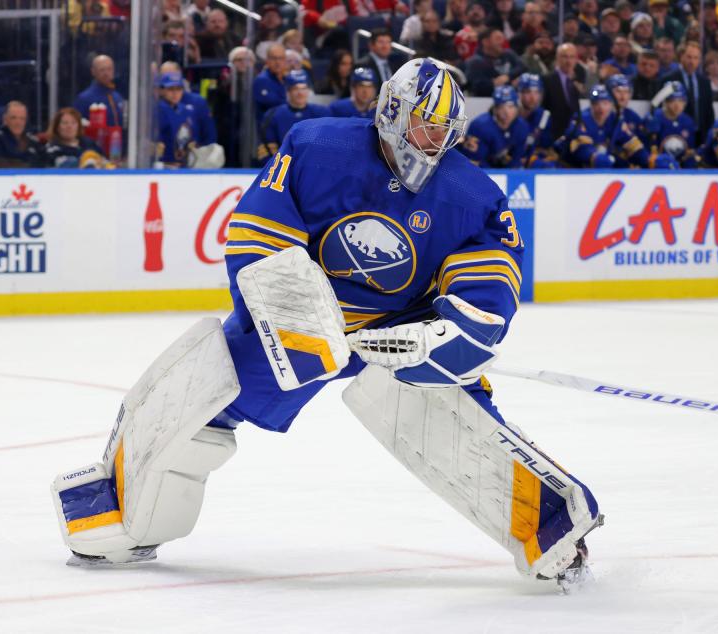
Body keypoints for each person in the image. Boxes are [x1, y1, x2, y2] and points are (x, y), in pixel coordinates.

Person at [49, 57, 602, 594]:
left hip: (399, 335)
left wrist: (455, 335)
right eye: (423, 125)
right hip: (301, 321)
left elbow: (490, 279)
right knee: (200, 386)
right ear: (391, 109)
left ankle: (551, 530)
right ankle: (119, 510)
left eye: (443, 132)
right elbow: (259, 234)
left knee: (457, 422)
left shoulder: (471, 194)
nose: (432, 142)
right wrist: (293, 317)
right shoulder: (317, 147)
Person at [259, 70, 330, 161]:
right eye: (295, 88)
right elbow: (266, 148)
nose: (300, 93)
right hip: (283, 168)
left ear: (308, 90)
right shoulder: (273, 114)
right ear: (288, 91)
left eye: (304, 88)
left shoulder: (322, 113)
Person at [459, 85, 530, 167]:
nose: (507, 113)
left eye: (511, 107)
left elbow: (518, 160)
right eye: (502, 107)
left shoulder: (522, 126)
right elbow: (474, 161)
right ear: (495, 108)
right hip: (483, 172)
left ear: (517, 108)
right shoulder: (480, 125)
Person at [662, 41, 714, 145]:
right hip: (676, 134)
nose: (692, 61)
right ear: (681, 57)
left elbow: (709, 111)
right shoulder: (668, 79)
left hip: (701, 134)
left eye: (696, 58)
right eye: (689, 57)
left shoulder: (705, 82)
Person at [646, 81, 698, 168]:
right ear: (665, 102)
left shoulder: (688, 122)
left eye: (681, 101)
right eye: (672, 101)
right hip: (659, 168)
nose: (677, 105)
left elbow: (689, 151)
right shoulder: (654, 118)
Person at [465, 28, 527, 97]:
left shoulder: (508, 54)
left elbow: (522, 67)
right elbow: (476, 87)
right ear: (486, 42)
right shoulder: (475, 62)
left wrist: (508, 77)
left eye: (503, 38)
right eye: (498, 39)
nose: (502, 41)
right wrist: (498, 83)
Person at [43, 107, 109, 168]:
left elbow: (106, 162)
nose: (69, 126)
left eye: (73, 123)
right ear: (57, 127)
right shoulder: (53, 149)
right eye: (65, 123)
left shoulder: (89, 143)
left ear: (79, 126)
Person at [73, 54, 126, 129]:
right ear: (93, 71)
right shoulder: (84, 98)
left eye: (109, 69)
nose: (106, 73)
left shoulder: (117, 96)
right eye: (102, 70)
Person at [541, 43, 582, 139]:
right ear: (557, 58)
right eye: (565, 57)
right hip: (551, 136)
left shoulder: (574, 83)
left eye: (572, 57)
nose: (568, 61)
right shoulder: (547, 80)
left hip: (571, 137)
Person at [517, 73, 557, 167]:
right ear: (519, 93)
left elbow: (545, 147)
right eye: (528, 92)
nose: (533, 97)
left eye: (536, 92)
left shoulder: (544, 116)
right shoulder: (511, 115)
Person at [0, 101, 43, 168]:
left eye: (22, 118)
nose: (18, 122)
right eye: (13, 118)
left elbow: (43, 164)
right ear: (5, 119)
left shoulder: (34, 142)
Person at [253, 43, 289, 127]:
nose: (278, 62)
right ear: (267, 61)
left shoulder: (288, 79)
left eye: (281, 58)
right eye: (274, 58)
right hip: (269, 130)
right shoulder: (262, 80)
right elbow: (276, 105)